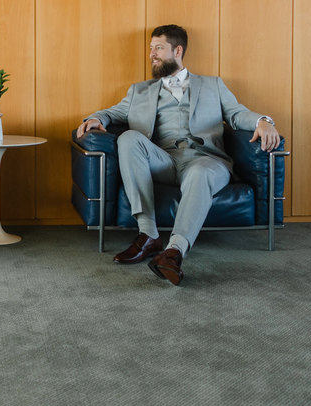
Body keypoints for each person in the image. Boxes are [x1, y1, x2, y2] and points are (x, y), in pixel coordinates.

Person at [75, 25, 279, 285]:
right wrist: (95, 118)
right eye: (150, 49)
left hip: (206, 160)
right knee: (128, 138)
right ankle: (148, 234)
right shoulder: (140, 91)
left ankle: (174, 252)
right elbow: (113, 112)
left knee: (200, 172)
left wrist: (263, 121)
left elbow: (237, 114)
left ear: (177, 50)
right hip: (164, 160)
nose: (152, 54)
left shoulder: (213, 85)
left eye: (158, 48)